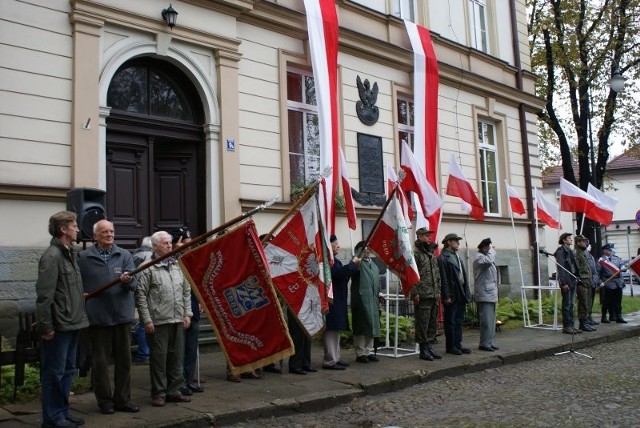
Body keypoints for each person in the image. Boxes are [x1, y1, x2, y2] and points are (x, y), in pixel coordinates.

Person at [77, 220, 140, 414]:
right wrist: (83, 295)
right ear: (95, 236)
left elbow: (134, 285)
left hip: (122, 316)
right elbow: (77, 285)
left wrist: (128, 281)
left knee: (124, 361)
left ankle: (123, 400)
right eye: (104, 232)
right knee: (100, 363)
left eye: (111, 231)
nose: (109, 235)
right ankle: (104, 401)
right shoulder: (84, 258)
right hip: (98, 318)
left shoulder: (124, 255)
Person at [35, 211, 89, 428]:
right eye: (73, 225)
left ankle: (62, 412)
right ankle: (52, 417)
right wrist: (46, 326)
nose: (77, 229)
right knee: (54, 373)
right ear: (63, 229)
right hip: (59, 325)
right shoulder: (52, 256)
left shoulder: (70, 253)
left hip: (73, 322)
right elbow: (44, 296)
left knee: (67, 371)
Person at [135, 231, 193, 407]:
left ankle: (174, 390)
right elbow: (141, 296)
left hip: (177, 318)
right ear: (154, 246)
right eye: (165, 243)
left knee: (176, 358)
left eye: (170, 243)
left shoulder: (178, 265)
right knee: (159, 359)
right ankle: (159, 392)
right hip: (158, 320)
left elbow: (186, 291)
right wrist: (147, 320)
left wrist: (187, 314)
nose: (169, 245)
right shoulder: (147, 267)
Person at [169, 228, 205, 396]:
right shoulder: (171, 259)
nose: (189, 245)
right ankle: (178, 382)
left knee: (191, 349)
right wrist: (175, 252)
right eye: (185, 242)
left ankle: (188, 381)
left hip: (193, 308)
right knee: (179, 350)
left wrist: (200, 301)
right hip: (178, 311)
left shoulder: (192, 258)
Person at [322, 235, 359, 370]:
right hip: (331, 300)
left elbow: (342, 276)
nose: (338, 246)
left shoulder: (334, 260)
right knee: (331, 330)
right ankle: (330, 360)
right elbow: (337, 274)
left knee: (336, 330)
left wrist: (351, 268)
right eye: (335, 244)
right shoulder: (328, 261)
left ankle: (335, 358)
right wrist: (352, 264)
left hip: (338, 299)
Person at [410, 228, 442, 361]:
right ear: (420, 236)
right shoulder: (416, 253)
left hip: (433, 293)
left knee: (431, 323)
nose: (429, 238)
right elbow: (412, 274)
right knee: (422, 322)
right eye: (427, 236)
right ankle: (423, 349)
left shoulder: (431, 253)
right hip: (423, 294)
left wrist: (438, 290)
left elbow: (437, 273)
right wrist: (415, 292)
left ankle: (429, 346)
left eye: (430, 235)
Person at [439, 233, 472, 355]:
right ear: (448, 242)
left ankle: (458, 344)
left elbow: (462, 276)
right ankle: (451, 346)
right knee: (451, 321)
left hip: (460, 291)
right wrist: (446, 295)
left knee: (458, 321)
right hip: (452, 294)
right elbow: (444, 279)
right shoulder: (443, 257)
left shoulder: (456, 256)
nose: (458, 243)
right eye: (456, 241)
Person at [351, 241, 381, 364]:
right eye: (365, 248)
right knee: (361, 326)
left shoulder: (374, 265)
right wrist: (358, 255)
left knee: (372, 326)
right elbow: (353, 269)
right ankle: (360, 353)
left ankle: (369, 351)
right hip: (361, 299)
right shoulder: (357, 263)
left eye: (369, 248)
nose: (368, 250)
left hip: (373, 300)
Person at [473, 238, 500, 351]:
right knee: (486, 321)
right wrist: (492, 251)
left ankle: (490, 341)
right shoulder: (479, 258)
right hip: (485, 293)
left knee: (491, 321)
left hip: (490, 293)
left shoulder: (486, 257)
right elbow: (487, 262)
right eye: (489, 248)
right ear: (484, 248)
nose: (490, 250)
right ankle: (484, 343)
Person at [554, 232, 580, 334]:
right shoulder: (561, 252)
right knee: (567, 304)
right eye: (569, 238)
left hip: (572, 280)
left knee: (572, 304)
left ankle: (572, 325)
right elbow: (561, 268)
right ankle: (567, 326)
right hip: (567, 281)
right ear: (564, 240)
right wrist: (563, 282)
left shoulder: (570, 251)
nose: (571, 240)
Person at [573, 235, 596, 332]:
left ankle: (586, 321)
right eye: (583, 241)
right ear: (578, 242)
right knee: (583, 303)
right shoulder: (576, 253)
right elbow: (575, 268)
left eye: (586, 241)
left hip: (588, 281)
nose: (585, 243)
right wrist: (579, 280)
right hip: (582, 282)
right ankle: (583, 323)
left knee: (588, 303)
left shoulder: (584, 253)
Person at [599, 243, 627, 324]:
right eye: (609, 249)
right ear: (604, 250)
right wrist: (600, 282)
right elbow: (598, 272)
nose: (611, 251)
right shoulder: (601, 260)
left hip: (618, 282)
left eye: (611, 249)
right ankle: (604, 317)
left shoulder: (616, 258)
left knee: (618, 301)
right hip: (609, 283)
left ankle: (618, 316)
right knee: (607, 301)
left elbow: (622, 265)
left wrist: (624, 268)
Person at [585, 244, 601, 326]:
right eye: (589, 246)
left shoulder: (590, 255)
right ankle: (586, 318)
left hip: (593, 281)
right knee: (587, 302)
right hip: (588, 281)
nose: (590, 247)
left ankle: (589, 317)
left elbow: (595, 270)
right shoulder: (585, 255)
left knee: (591, 301)